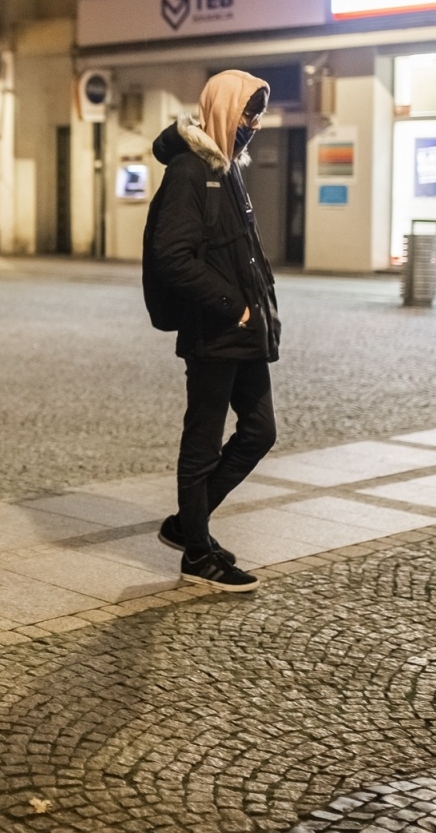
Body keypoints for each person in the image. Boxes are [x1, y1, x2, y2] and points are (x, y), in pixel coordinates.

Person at [144, 69, 279, 593]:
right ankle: (198, 553)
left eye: (259, 114)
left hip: (243, 331)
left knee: (259, 431)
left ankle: (187, 525)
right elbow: (171, 256)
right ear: (223, 109)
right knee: (202, 440)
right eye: (248, 113)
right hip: (215, 329)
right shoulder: (188, 170)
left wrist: (260, 310)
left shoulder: (228, 169)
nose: (255, 124)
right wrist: (233, 308)